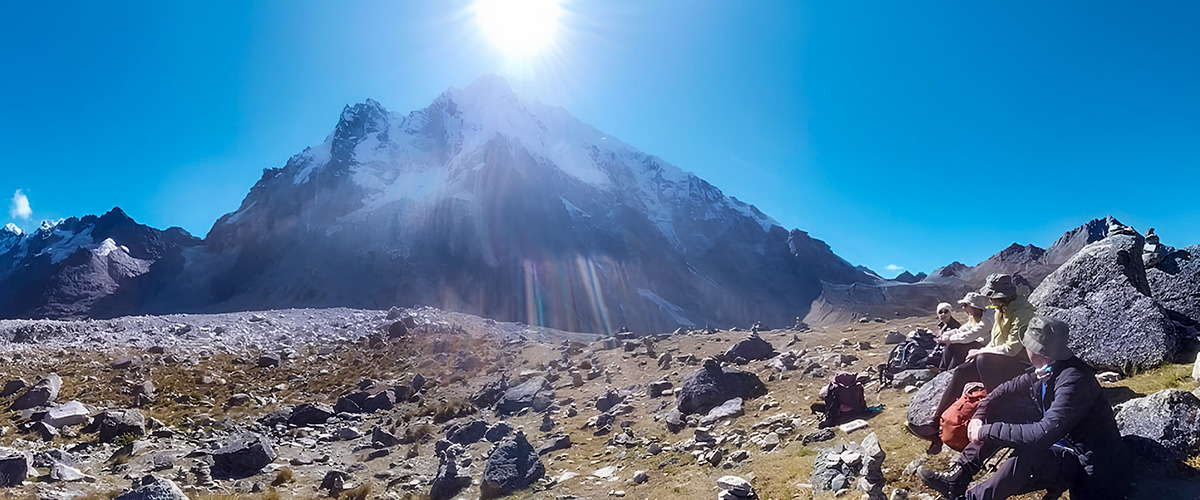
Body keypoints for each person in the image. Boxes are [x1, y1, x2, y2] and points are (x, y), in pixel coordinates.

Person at [917, 316, 1130, 500]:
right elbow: (1005, 390)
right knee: (1004, 412)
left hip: (1087, 464)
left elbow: (1042, 435)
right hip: (1063, 444)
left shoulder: (1073, 379)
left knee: (1029, 451)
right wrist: (980, 415)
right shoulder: (1048, 368)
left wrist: (984, 431)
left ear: (1034, 349)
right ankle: (959, 475)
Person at [909, 273, 1034, 452]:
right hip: (1000, 362)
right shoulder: (1001, 310)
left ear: (999, 296)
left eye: (991, 296)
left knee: (982, 359)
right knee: (962, 371)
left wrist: (981, 351)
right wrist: (981, 351)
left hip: (1020, 366)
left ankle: (996, 410)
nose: (989, 299)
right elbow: (995, 342)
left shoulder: (1023, 314)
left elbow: (1012, 349)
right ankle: (935, 424)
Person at [936, 292, 993, 371]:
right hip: (977, 343)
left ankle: (950, 371)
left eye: (965, 305)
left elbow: (971, 335)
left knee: (958, 346)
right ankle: (943, 370)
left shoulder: (987, 321)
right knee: (952, 344)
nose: (963, 308)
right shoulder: (973, 317)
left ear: (973, 306)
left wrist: (950, 339)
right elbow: (962, 330)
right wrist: (947, 335)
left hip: (986, 347)